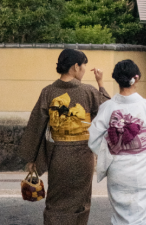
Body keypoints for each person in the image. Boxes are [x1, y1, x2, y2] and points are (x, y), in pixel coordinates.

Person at [18, 49, 110, 225]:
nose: (84, 70)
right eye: (83, 66)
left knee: (56, 201)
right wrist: (101, 83)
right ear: (75, 66)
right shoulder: (88, 91)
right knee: (80, 202)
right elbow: (108, 110)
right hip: (83, 155)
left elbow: (36, 125)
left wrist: (32, 158)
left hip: (58, 154)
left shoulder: (48, 92)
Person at [88, 59, 146, 225]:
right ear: (136, 78)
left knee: (121, 214)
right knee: (142, 213)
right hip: (142, 166)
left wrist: (113, 143)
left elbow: (94, 138)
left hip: (117, 166)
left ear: (116, 79)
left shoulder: (107, 107)